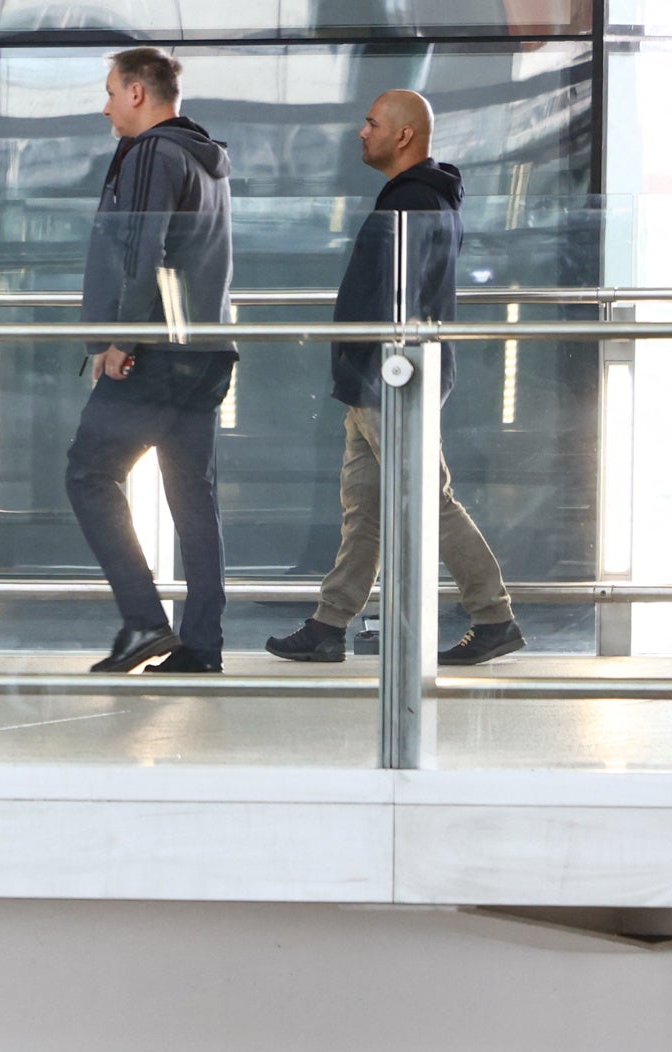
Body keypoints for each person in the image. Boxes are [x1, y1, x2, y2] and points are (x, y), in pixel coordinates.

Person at [269, 91, 522, 669]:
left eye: (372, 123)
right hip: (374, 379)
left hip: (391, 377)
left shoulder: (413, 203)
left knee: (428, 502)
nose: (362, 132)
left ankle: (494, 617)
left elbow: (396, 297)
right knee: (365, 508)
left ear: (404, 135)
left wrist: (372, 362)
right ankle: (329, 624)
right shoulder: (416, 199)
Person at [67, 47, 238, 675]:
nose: (106, 105)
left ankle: (143, 621)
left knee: (89, 473)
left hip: (155, 353)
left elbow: (142, 250)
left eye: (111, 91)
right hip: (205, 349)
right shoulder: (208, 160)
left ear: (138, 93)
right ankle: (202, 644)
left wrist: (117, 337)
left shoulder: (151, 155)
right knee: (194, 496)